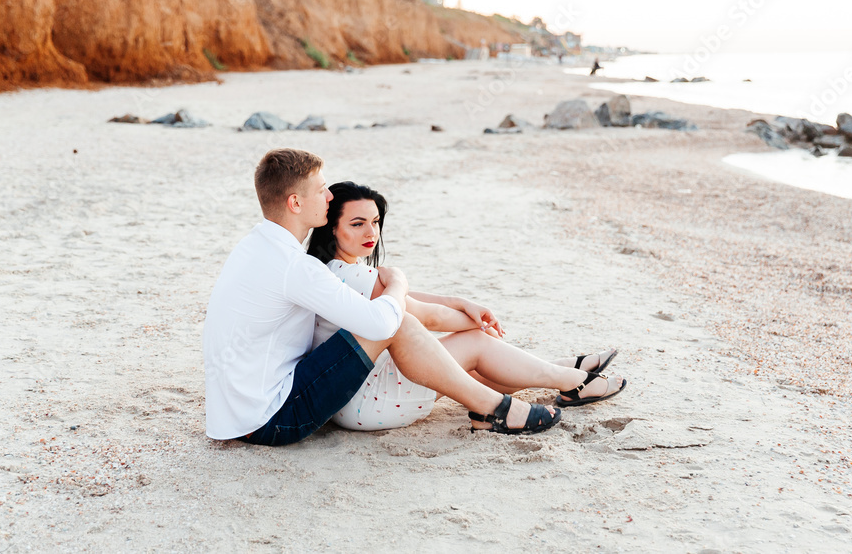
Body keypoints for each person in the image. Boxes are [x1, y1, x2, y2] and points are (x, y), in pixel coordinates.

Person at [203, 148, 562, 446]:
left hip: (237, 414)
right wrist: (399, 283)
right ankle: (493, 407)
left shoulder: (255, 247)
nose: (329, 197)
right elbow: (381, 323)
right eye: (322, 189)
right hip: (272, 420)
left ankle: (534, 384)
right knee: (394, 321)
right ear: (295, 202)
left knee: (398, 321)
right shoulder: (296, 267)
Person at [306, 181, 627, 432]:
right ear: (331, 228)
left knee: (477, 364)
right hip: (370, 402)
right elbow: (427, 316)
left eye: (375, 222)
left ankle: (560, 369)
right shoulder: (352, 274)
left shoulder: (331, 271)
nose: (371, 232)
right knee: (475, 344)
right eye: (357, 224)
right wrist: (476, 326)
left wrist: (460, 303)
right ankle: (573, 382)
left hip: (354, 399)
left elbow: (407, 298)